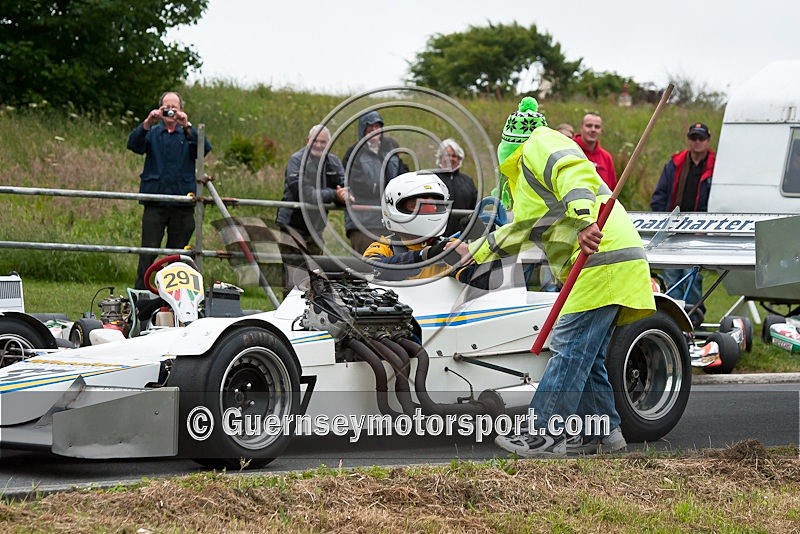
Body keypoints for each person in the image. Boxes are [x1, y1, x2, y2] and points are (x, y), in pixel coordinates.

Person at [452, 97, 655, 457]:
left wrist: (583, 220)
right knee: (586, 355)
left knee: (569, 345)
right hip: (605, 260)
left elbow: (573, 172)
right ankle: (605, 434)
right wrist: (475, 253)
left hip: (600, 256)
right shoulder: (530, 182)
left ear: (507, 147)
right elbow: (520, 230)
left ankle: (544, 434)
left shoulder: (540, 143)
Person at [127, 91, 212, 290]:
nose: (171, 111)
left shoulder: (188, 135)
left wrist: (188, 125)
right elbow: (133, 144)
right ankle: (141, 294)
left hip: (182, 205)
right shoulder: (153, 133)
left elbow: (204, 149)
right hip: (155, 203)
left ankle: (172, 296)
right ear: (160, 109)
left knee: (177, 255)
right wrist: (148, 122)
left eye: (175, 107)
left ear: (181, 110)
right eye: (167, 107)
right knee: (147, 252)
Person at [364, 170, 499, 288]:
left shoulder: (449, 247)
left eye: (433, 204)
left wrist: (485, 245)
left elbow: (490, 282)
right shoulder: (383, 247)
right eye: (417, 204)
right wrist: (427, 254)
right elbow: (375, 269)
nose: (429, 210)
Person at [650, 122, 716, 326]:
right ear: (688, 139)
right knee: (671, 275)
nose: (697, 142)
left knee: (692, 277)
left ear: (708, 141)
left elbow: (718, 200)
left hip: (697, 231)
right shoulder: (675, 163)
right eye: (693, 138)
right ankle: (672, 319)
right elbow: (659, 196)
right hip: (673, 229)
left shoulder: (716, 166)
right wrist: (663, 222)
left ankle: (694, 317)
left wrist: (706, 228)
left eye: (701, 138)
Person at [276, 125, 348, 296]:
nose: (319, 145)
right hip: (292, 226)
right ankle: (287, 317)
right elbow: (304, 193)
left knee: (316, 279)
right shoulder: (297, 161)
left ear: (329, 144)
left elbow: (344, 187)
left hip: (315, 230)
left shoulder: (334, 162)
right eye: (315, 141)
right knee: (293, 278)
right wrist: (334, 194)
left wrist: (345, 194)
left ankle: (310, 317)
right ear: (307, 141)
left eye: (323, 142)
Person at [342, 111, 406, 254]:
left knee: (390, 267)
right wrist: (386, 188)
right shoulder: (353, 153)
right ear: (362, 131)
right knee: (365, 268)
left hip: (388, 221)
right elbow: (356, 184)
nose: (374, 131)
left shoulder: (391, 152)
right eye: (369, 128)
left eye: (377, 127)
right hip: (363, 223)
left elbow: (402, 177)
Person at [434, 138, 478, 237]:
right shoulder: (431, 179)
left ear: (459, 159)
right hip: (435, 236)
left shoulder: (468, 181)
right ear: (440, 158)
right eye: (446, 155)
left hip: (461, 237)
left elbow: (474, 207)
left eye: (454, 156)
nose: (450, 158)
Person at [574, 112, 617, 190]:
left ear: (601, 130)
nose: (593, 130)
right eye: (589, 126)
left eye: (597, 127)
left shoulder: (606, 158)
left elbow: (612, 190)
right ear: (581, 128)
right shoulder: (571, 151)